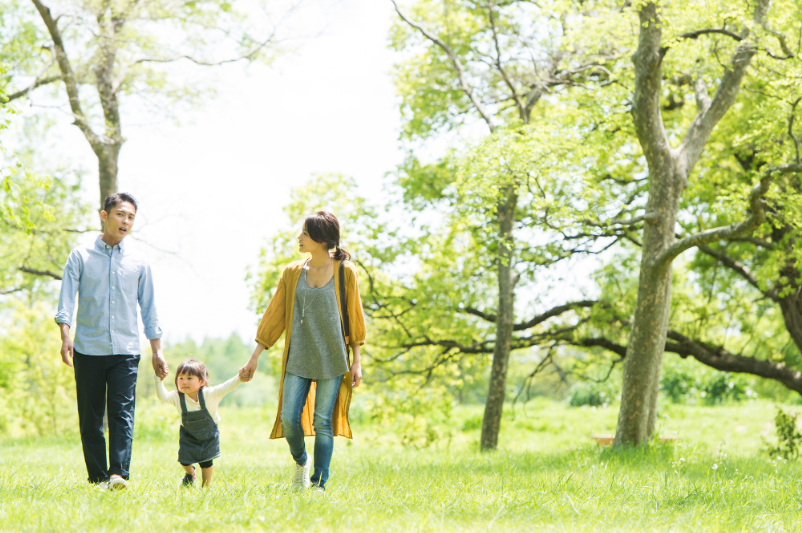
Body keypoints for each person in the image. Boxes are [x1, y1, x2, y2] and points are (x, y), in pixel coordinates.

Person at [239, 211, 366, 493]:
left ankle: (319, 484)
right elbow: (275, 316)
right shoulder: (293, 272)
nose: (299, 237)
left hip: (333, 358)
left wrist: (356, 360)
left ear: (321, 240)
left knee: (322, 421)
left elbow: (355, 316)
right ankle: (301, 460)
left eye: (305, 234)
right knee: (288, 417)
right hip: (298, 356)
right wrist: (255, 355)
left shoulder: (345, 271)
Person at [55, 192, 168, 490]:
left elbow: (149, 307)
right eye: (120, 214)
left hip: (126, 351)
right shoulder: (80, 256)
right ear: (104, 216)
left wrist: (157, 351)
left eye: (130, 217)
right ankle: (97, 479)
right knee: (91, 419)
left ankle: (119, 475)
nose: (126, 221)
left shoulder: (139, 261)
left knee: (122, 415)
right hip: (88, 349)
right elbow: (66, 298)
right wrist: (65, 335)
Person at [154, 358, 244, 487]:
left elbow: (227, 386)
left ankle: (205, 487)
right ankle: (190, 473)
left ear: (201, 381)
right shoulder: (177, 396)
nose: (184, 382)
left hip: (209, 435)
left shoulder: (210, 394)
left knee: (206, 462)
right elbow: (162, 396)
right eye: (181, 378)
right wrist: (158, 379)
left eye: (189, 378)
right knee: (184, 460)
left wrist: (240, 377)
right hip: (188, 435)